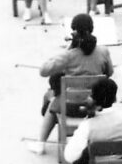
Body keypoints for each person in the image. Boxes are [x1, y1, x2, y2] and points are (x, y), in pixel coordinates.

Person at [28, 14, 114, 154]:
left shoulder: (70, 55)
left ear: (74, 31)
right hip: (94, 104)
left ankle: (40, 143)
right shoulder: (103, 51)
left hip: (71, 106)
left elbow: (44, 70)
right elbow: (109, 72)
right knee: (54, 99)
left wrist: (68, 48)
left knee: (52, 104)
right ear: (91, 29)